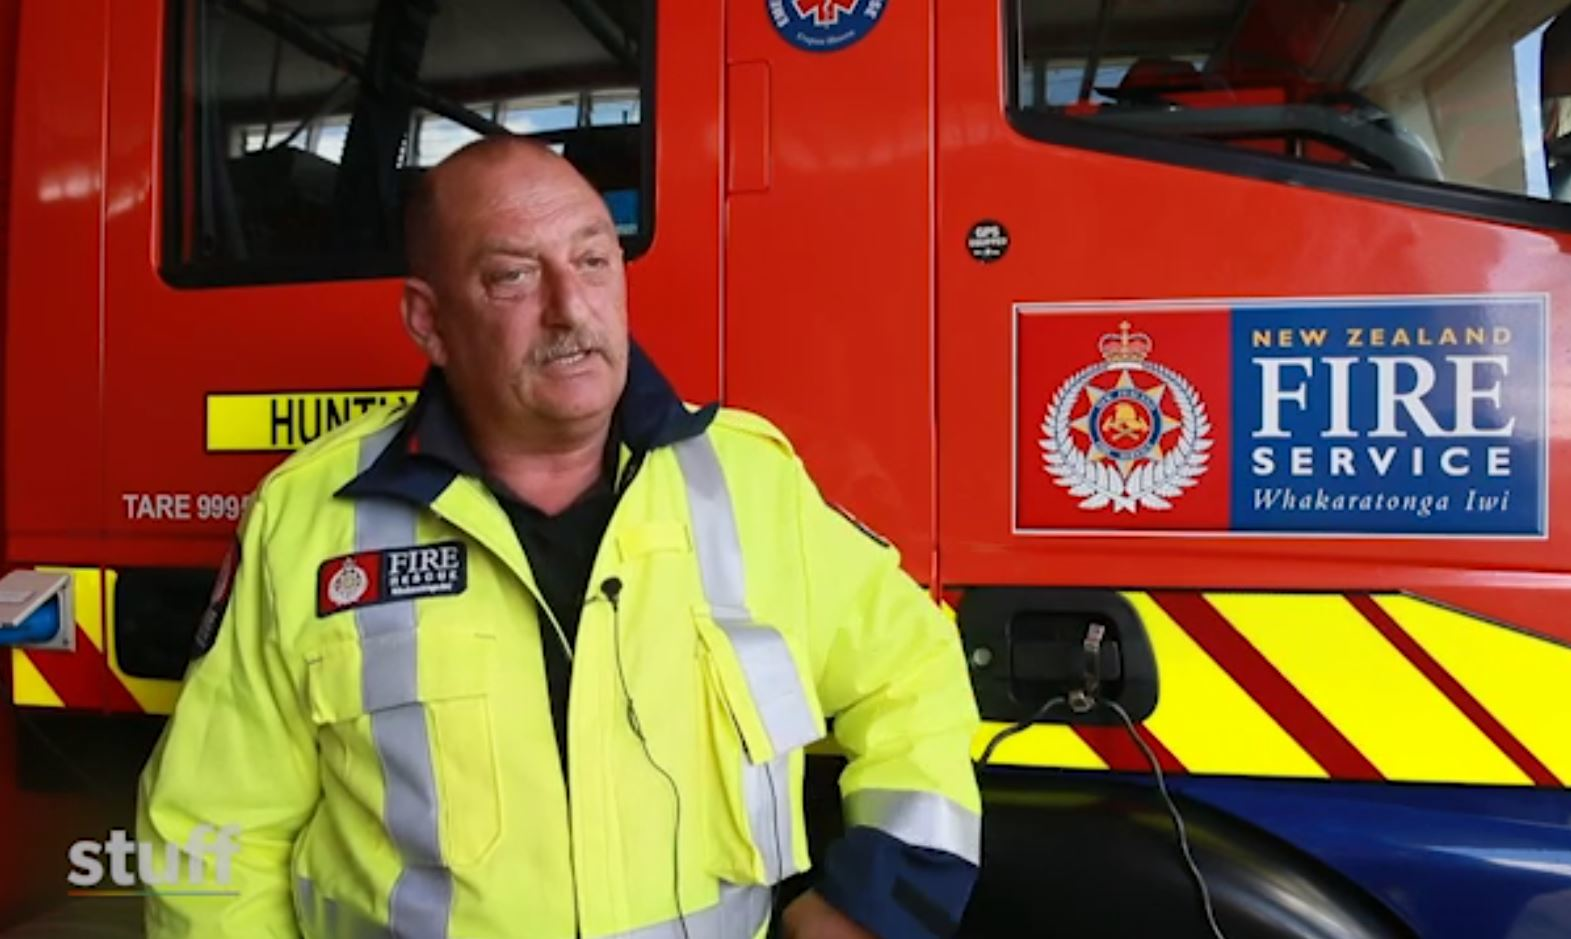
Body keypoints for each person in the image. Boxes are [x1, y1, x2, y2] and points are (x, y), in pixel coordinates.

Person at [136, 136, 982, 939]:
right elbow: (211, 832)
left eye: (593, 260)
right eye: (512, 275)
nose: (570, 308)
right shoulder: (311, 520)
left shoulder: (749, 483)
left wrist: (884, 899)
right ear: (429, 320)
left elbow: (911, 668)